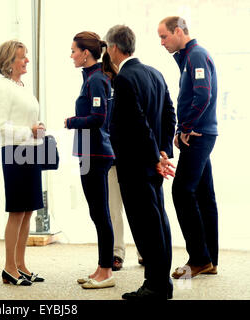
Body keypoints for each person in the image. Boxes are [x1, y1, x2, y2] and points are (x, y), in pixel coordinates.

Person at [105, 25, 177, 299]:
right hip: (152, 163)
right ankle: (162, 282)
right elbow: (169, 115)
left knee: (146, 226)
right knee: (159, 221)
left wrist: (153, 157)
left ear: (113, 48)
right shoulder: (155, 73)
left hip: (136, 165)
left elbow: (137, 124)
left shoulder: (124, 79)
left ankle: (156, 286)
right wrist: (162, 152)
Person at [158, 16, 219, 278]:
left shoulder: (196, 55)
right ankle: (209, 260)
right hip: (198, 132)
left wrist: (185, 127)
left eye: (164, 36)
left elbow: (203, 94)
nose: (162, 42)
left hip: (199, 134)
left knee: (182, 192)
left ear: (179, 32)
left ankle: (199, 258)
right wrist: (182, 127)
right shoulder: (189, 57)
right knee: (204, 195)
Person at [0, 40, 46, 286]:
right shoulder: (4, 88)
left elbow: (27, 119)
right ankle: (9, 267)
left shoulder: (21, 86)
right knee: (16, 211)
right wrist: (30, 131)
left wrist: (38, 128)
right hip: (14, 153)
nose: (26, 61)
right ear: (8, 62)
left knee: (28, 210)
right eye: (22, 58)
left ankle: (22, 265)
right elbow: (0, 127)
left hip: (31, 152)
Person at [65, 31, 116, 289]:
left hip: (95, 153)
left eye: (74, 50)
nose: (71, 55)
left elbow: (98, 117)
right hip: (89, 152)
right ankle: (101, 267)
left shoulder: (96, 80)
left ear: (85, 53)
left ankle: (106, 271)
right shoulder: (91, 78)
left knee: (100, 213)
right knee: (97, 212)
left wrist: (70, 122)